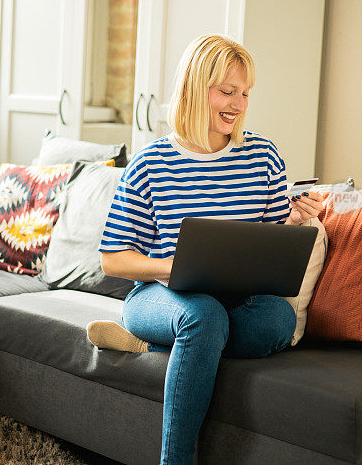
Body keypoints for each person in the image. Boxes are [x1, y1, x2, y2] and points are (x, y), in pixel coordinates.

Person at [90, 34, 323, 465]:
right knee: (202, 315)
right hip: (161, 297)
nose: (237, 104)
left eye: (245, 94)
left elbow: (267, 240)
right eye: (227, 91)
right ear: (197, 89)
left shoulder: (263, 155)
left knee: (278, 320)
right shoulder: (150, 164)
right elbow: (113, 259)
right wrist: (170, 267)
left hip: (238, 301)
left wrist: (293, 221)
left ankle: (166, 347)